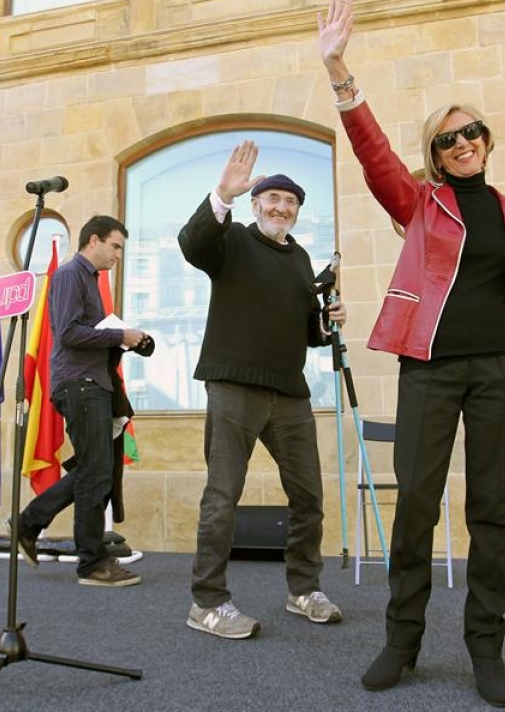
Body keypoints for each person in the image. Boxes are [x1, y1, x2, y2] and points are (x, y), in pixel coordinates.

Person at [317, 0, 505, 707]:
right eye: (446, 139)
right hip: (430, 370)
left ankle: (485, 647)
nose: (462, 143)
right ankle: (402, 641)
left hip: (504, 372)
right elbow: (374, 156)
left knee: (493, 511)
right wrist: (340, 70)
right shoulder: (419, 204)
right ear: (433, 154)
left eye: (472, 133)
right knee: (418, 506)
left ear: (488, 141)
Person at [179, 144, 347, 640]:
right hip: (234, 386)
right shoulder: (230, 239)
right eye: (271, 198)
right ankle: (207, 602)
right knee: (223, 496)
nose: (281, 207)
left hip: (290, 393)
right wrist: (220, 195)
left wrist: (325, 322)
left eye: (290, 201)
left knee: (308, 496)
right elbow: (193, 244)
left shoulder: (299, 259)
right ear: (255, 204)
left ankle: (303, 590)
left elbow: (304, 330)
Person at [12, 215, 151, 587]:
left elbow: (89, 333)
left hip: (94, 384)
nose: (118, 255)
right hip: (80, 384)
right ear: (94, 240)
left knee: (95, 469)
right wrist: (121, 333)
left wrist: (128, 340)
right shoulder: (70, 274)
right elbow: (70, 331)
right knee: (96, 472)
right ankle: (90, 563)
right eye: (115, 246)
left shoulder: (88, 279)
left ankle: (27, 524)